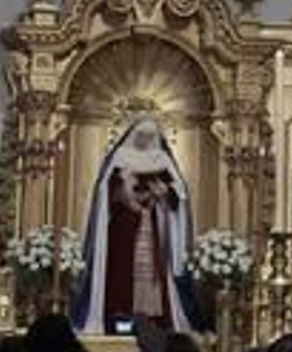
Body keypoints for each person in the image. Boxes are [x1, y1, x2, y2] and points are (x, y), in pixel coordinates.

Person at [74, 118, 199, 334]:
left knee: (153, 275)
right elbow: (105, 191)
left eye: (150, 137)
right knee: (122, 270)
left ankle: (153, 320)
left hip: (153, 226)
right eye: (141, 135)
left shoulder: (161, 159)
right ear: (133, 134)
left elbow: (178, 194)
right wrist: (122, 190)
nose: (145, 140)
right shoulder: (121, 157)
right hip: (123, 229)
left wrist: (164, 193)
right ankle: (120, 318)